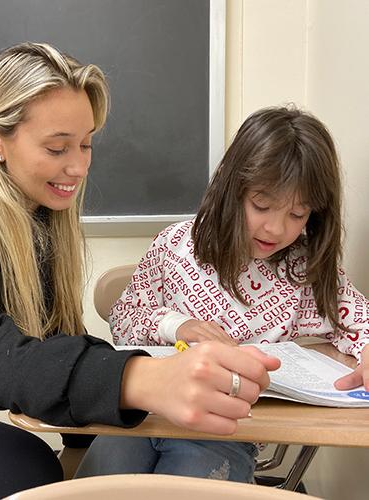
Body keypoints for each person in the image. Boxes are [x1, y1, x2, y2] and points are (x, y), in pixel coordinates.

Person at [0, 42, 280, 498]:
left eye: (85, 144)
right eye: (57, 147)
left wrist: (90, 443)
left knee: (29, 468)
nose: (79, 165)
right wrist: (140, 379)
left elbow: (52, 343)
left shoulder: (34, 217)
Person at [74, 105, 369, 483]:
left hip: (225, 429)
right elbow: (125, 316)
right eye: (261, 205)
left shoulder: (305, 269)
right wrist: (177, 325)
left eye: (297, 215)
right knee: (106, 479)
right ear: (233, 188)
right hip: (147, 416)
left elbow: (358, 322)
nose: (275, 228)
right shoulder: (177, 245)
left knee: (194, 476)